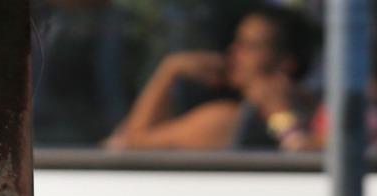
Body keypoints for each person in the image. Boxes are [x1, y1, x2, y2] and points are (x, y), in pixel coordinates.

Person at [106, 6, 317, 151]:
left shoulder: (225, 120)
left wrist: (169, 71)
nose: (234, 52)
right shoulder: (313, 110)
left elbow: (129, 146)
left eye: (250, 46)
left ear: (285, 63)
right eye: (237, 42)